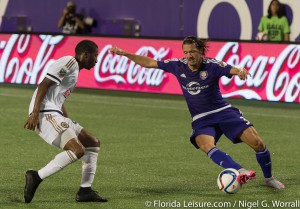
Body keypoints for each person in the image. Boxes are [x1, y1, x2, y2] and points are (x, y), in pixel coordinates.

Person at [110, 36, 285, 189]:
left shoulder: (212, 65)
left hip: (222, 111)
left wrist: (240, 71)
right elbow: (149, 63)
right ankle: (240, 171)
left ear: (201, 51)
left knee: (257, 143)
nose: (189, 56)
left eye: (192, 52)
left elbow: (230, 69)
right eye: (186, 52)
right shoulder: (178, 66)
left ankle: (269, 178)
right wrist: (125, 54)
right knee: (205, 145)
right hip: (201, 118)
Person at [23, 40, 108, 203]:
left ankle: (85, 191)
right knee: (78, 150)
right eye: (95, 56)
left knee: (93, 143)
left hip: (55, 113)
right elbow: (44, 85)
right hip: (45, 113)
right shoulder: (68, 62)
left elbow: (58, 100)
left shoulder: (75, 70)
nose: (96, 60)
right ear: (85, 54)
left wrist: (67, 120)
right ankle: (36, 176)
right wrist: (34, 114)